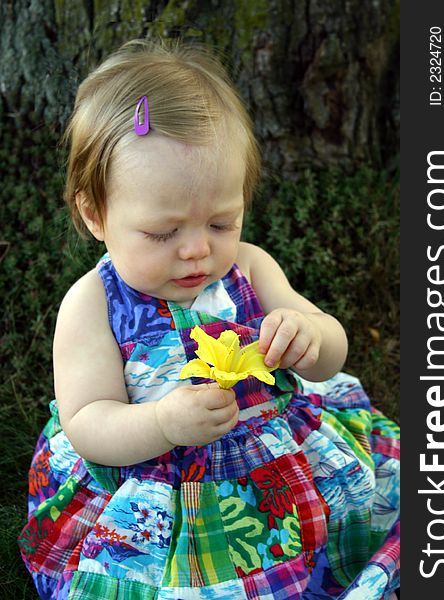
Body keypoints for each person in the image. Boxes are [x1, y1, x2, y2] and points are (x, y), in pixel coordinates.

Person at [18, 39, 400, 599]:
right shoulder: (92, 304)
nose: (197, 250)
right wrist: (163, 425)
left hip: (274, 457)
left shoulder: (249, 266)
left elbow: (331, 350)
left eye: (221, 222)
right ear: (95, 213)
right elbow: (89, 423)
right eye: (164, 233)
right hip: (161, 484)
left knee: (345, 525)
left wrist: (310, 338)